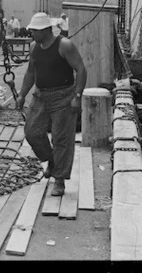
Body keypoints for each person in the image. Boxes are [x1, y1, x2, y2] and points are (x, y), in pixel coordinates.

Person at [15, 12, 87, 197]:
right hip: (41, 96)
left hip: (63, 97)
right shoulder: (34, 47)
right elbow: (31, 73)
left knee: (61, 138)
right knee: (32, 132)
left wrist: (77, 96)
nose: (32, 34)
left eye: (35, 31)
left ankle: (60, 180)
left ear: (46, 30)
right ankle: (51, 160)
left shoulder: (64, 45)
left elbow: (80, 69)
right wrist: (22, 94)